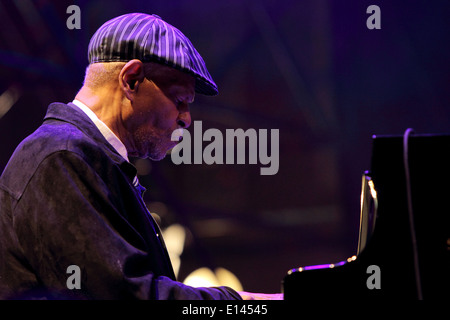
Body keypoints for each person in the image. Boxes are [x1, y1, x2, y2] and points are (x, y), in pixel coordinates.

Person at [0, 13, 282, 300]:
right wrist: (246, 304)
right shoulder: (62, 158)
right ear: (132, 80)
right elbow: (122, 296)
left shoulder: (82, 159)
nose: (186, 119)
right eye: (180, 101)